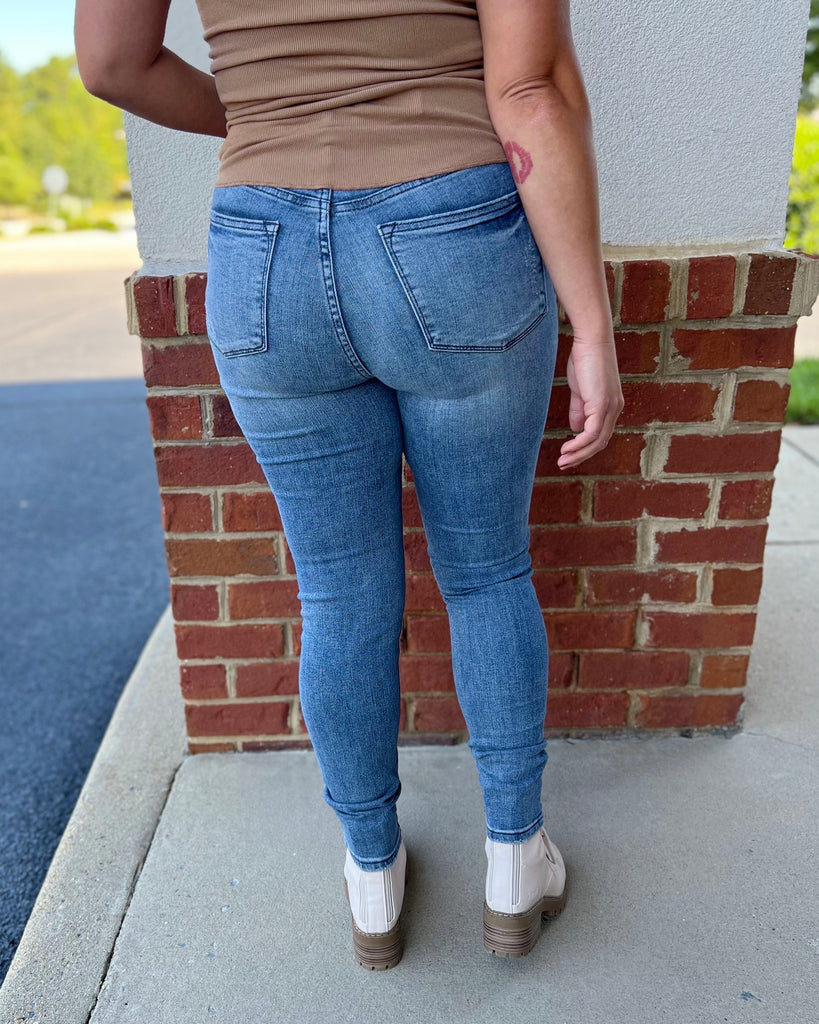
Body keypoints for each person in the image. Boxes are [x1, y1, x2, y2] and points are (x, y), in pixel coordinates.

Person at [75, 0, 624, 969]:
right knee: (487, 573)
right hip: (451, 232)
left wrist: (263, 113)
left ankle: (373, 876)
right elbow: (530, 89)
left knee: (337, 591)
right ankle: (514, 862)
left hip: (263, 251)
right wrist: (592, 323)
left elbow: (112, 64)